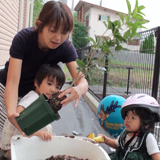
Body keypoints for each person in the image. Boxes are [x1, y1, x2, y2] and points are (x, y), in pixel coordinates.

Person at [0, 0, 88, 135]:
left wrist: (79, 89)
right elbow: (12, 82)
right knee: (6, 134)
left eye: (64, 33)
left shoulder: (65, 48)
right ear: (40, 24)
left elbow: (82, 81)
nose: (58, 38)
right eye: (53, 30)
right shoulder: (24, 39)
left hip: (33, 96)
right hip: (7, 89)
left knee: (31, 135)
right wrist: (11, 112)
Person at [0, 63, 66, 159]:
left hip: (22, 143)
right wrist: (37, 133)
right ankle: (54, 151)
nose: (53, 90)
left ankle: (54, 150)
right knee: (46, 128)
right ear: (36, 83)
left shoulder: (43, 101)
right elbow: (19, 117)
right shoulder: (32, 98)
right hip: (11, 147)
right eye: (49, 84)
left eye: (58, 87)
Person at [97, 94, 160, 160]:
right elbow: (117, 144)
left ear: (145, 121)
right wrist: (106, 140)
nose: (128, 120)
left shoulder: (148, 138)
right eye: (127, 116)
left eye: (133, 118)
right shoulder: (125, 133)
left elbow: (156, 156)